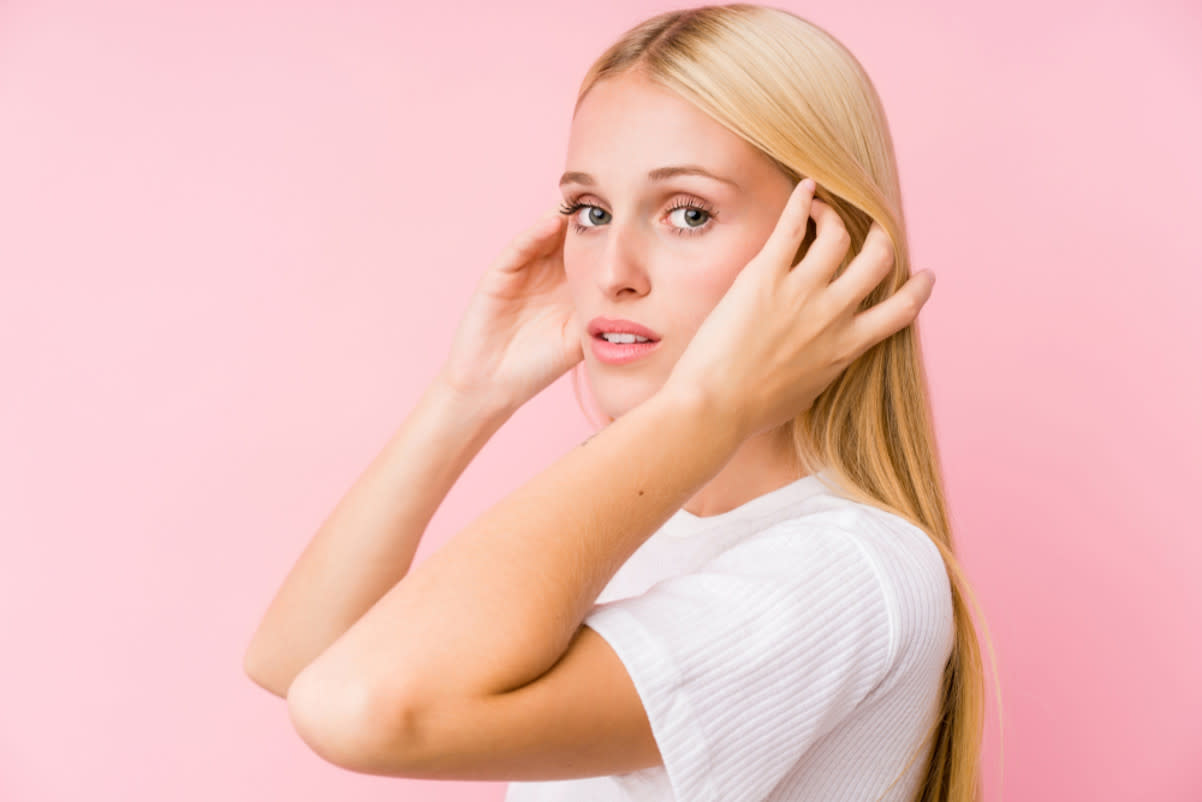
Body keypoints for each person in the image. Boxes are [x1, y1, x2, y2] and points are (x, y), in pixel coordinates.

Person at [246, 4, 996, 802]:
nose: (613, 271)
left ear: (819, 248)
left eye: (688, 213)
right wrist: (466, 395)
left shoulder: (853, 570)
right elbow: (296, 663)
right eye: (591, 213)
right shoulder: (633, 519)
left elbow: (357, 705)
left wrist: (709, 407)